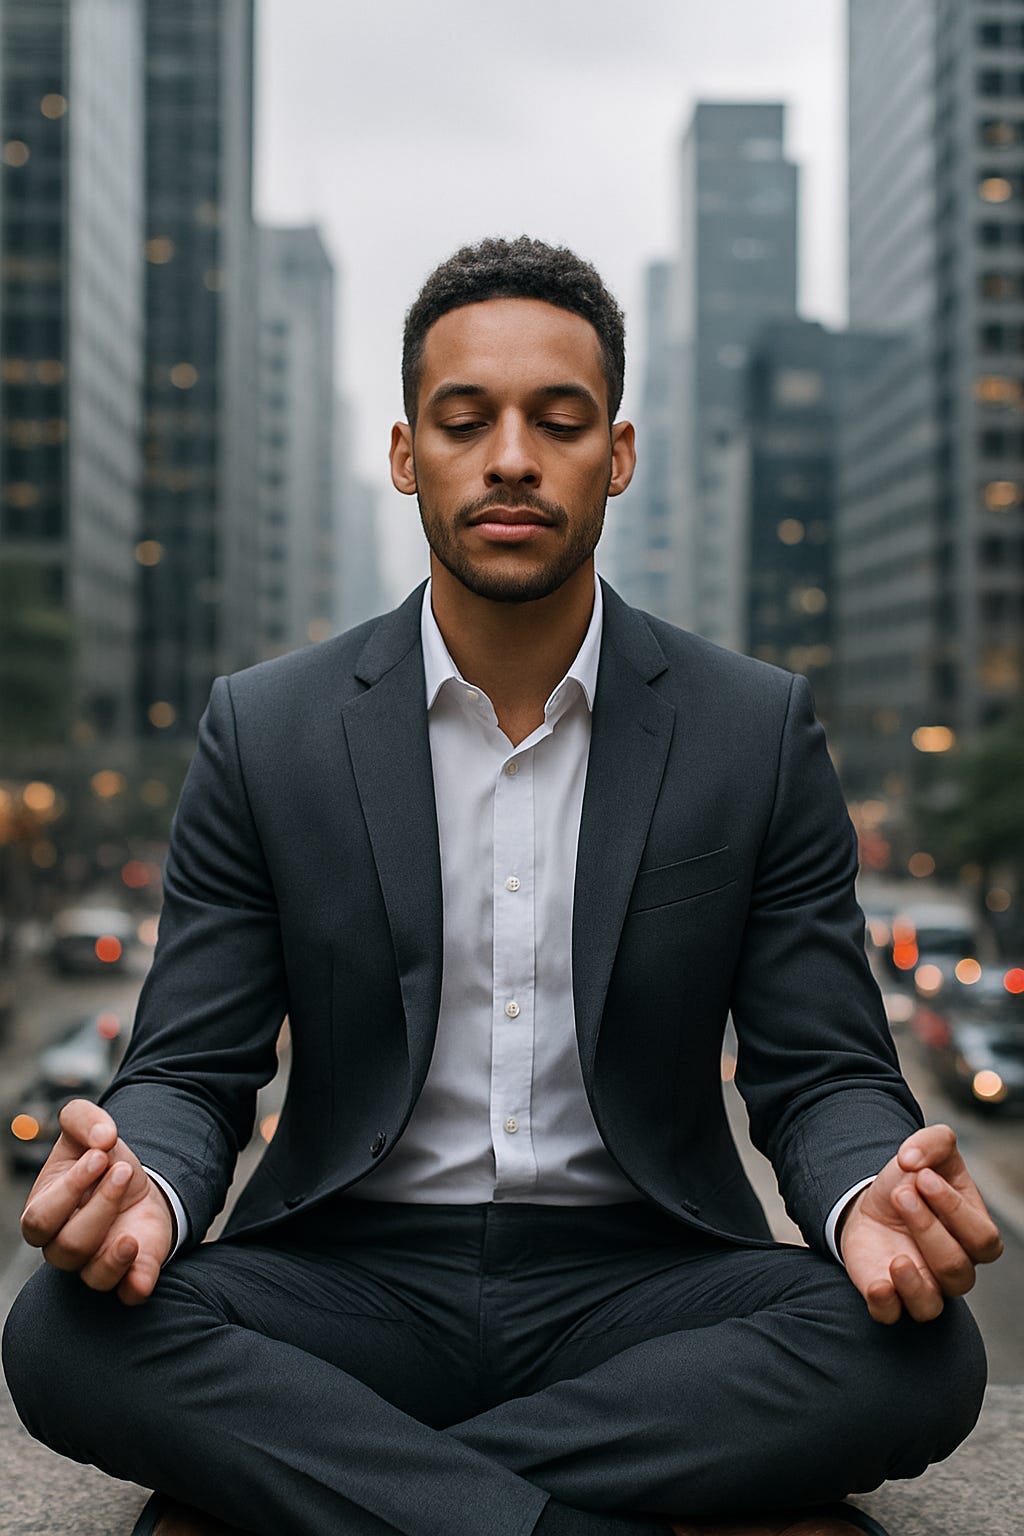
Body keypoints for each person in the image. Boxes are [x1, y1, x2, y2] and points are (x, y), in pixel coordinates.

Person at [2, 237, 1003, 1536]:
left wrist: (876, 1195)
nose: (513, 457)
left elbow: (821, 1071)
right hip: (346, 1276)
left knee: (920, 1352)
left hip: (644, 1285)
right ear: (407, 453)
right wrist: (144, 1182)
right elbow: (193, 1068)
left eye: (560, 422)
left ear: (618, 455)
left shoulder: (752, 731)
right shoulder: (267, 730)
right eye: (466, 420)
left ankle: (356, 1487)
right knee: (64, 1334)